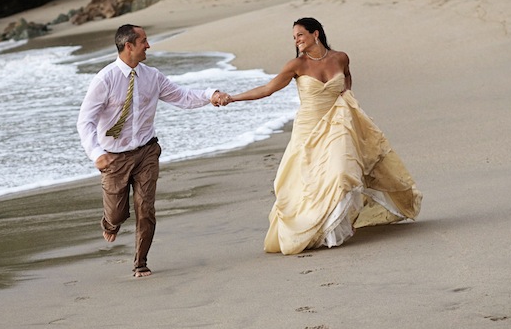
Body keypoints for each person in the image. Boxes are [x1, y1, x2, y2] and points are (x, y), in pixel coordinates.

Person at [224, 17, 421, 255]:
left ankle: (333, 230)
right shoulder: (296, 65)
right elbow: (268, 89)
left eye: (300, 35)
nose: (296, 41)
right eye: (294, 37)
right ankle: (313, 229)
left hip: (338, 123)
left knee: (340, 172)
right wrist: (233, 98)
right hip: (308, 127)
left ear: (315, 34)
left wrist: (346, 95)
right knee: (308, 179)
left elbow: (346, 76)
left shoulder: (340, 57)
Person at [77, 24, 232, 277]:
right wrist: (96, 154)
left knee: (145, 208)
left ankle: (140, 262)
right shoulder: (104, 80)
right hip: (114, 157)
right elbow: (85, 121)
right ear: (129, 46)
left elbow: (182, 96)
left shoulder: (152, 76)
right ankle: (110, 222)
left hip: (147, 152)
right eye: (144, 41)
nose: (148, 45)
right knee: (117, 213)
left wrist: (210, 94)